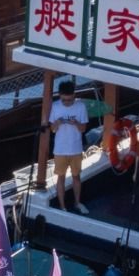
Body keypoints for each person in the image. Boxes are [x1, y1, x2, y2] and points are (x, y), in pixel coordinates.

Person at [46, 80, 90, 215]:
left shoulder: (81, 106)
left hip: (76, 148)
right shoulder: (55, 106)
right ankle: (62, 206)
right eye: (64, 100)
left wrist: (76, 123)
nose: (67, 103)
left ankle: (77, 202)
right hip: (60, 149)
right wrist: (57, 123)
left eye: (70, 100)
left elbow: (83, 129)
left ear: (74, 96)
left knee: (76, 176)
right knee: (61, 177)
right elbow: (52, 129)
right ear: (60, 96)